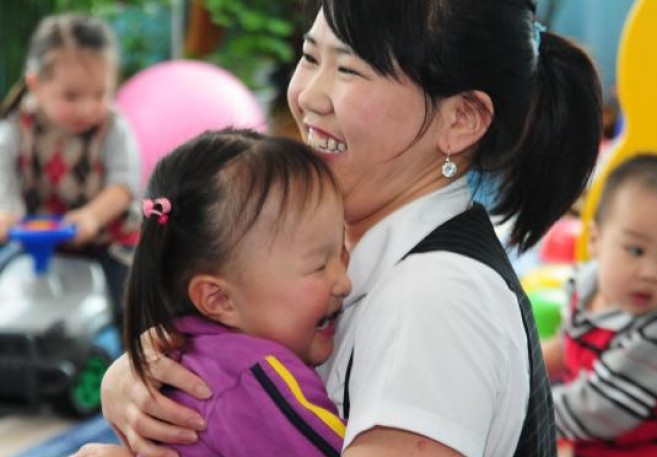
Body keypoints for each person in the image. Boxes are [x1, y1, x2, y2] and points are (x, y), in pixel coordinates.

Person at [77, 0, 602, 456]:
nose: (309, 95)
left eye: (349, 69)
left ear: (460, 119)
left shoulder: (436, 299)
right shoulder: (350, 256)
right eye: (310, 57)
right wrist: (140, 378)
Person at [121, 128, 350, 456]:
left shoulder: (186, 352)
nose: (344, 282)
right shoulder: (258, 376)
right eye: (318, 266)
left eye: (341, 251)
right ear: (219, 299)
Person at [541, 154, 657, 457]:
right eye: (636, 250)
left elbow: (596, 409)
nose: (651, 273)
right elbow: (567, 346)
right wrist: (520, 367)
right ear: (595, 240)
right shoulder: (584, 284)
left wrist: (515, 413)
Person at [0, 13, 141, 325]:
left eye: (99, 94)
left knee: (132, 302)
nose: (87, 108)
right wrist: (7, 212)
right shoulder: (15, 128)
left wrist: (91, 216)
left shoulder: (114, 128)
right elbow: (3, 176)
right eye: (71, 96)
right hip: (38, 240)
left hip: (106, 242)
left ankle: (125, 347)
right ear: (35, 84)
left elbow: (124, 184)